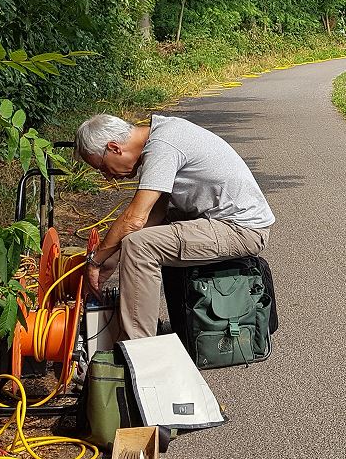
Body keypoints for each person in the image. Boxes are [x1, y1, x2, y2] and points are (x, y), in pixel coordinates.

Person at [74, 113, 274, 338]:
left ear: (114, 148)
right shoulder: (161, 133)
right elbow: (155, 214)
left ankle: (138, 349)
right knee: (143, 237)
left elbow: (135, 219)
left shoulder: (162, 146)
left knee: (140, 246)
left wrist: (95, 261)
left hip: (241, 229)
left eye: (102, 167)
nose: (107, 177)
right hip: (223, 220)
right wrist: (112, 259)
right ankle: (167, 326)